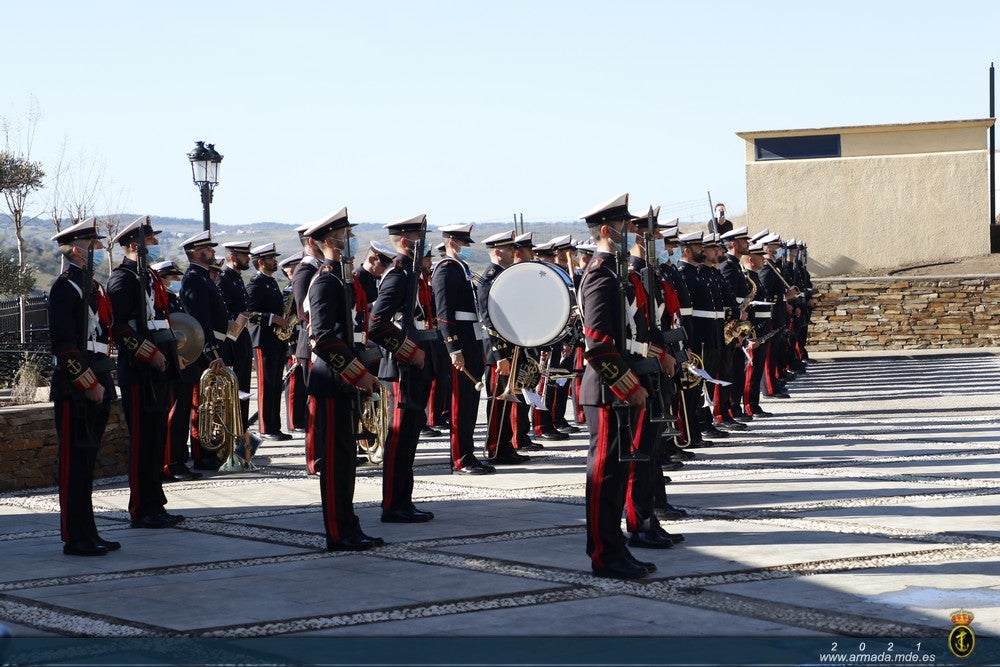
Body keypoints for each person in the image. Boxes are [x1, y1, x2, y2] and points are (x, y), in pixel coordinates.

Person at [577, 193, 654, 579]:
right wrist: (628, 385)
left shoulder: (614, 272)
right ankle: (604, 554)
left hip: (616, 390)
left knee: (617, 474)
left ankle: (615, 546)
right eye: (626, 227)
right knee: (604, 475)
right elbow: (597, 342)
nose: (632, 233)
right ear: (608, 230)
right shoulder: (599, 274)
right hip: (607, 392)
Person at [302, 209, 385, 551]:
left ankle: (349, 525)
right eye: (344, 234)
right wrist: (357, 373)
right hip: (332, 378)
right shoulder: (324, 280)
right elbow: (320, 337)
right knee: (336, 462)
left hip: (344, 379)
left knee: (346, 459)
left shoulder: (341, 279)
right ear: (328, 241)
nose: (350, 239)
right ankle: (338, 531)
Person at [107, 216, 185, 529]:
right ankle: (141, 506)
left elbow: (161, 319)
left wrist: (171, 355)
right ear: (132, 244)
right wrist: (149, 354)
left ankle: (155, 502)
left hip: (159, 368)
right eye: (149, 240)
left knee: (155, 440)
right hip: (140, 371)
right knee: (143, 441)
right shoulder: (123, 279)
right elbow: (121, 328)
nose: (153, 245)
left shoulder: (148, 278)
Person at [49, 219, 119, 556]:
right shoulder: (66, 287)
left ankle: (89, 531)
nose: (99, 249)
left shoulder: (93, 286)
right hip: (76, 386)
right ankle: (75, 536)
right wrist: (88, 383)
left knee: (87, 463)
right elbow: (63, 345)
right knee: (74, 464)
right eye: (93, 244)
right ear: (77, 249)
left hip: (99, 375)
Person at [368, 215, 437, 521]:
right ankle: (394, 504)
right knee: (400, 438)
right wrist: (410, 351)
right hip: (402, 366)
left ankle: (403, 501)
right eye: (420, 238)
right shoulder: (399, 275)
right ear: (409, 241)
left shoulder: (412, 274)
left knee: (410, 436)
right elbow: (377, 324)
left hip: (416, 364)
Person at [431, 224, 498, 474]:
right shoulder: (446, 270)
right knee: (460, 405)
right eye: (463, 244)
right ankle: (460, 458)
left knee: (470, 403)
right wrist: (453, 347)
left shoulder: (462, 269)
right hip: (460, 343)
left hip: (472, 341)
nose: (467, 249)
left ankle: (468, 453)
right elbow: (444, 314)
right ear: (450, 243)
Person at [178, 231, 230, 469]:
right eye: (209, 250)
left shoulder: (203, 278)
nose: (213, 253)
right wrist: (213, 354)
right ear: (197, 253)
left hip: (217, 345)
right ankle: (202, 454)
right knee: (204, 404)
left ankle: (214, 451)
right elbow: (200, 321)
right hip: (204, 352)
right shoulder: (193, 279)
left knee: (213, 403)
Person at [151, 260, 203, 482]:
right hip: (173, 364)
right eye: (168, 277)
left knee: (180, 415)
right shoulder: (158, 300)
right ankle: (171, 463)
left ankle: (178, 459)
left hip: (183, 363)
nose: (171, 281)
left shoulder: (171, 299)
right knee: (174, 416)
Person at [475, 230, 523, 465]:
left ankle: (505, 445)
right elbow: (487, 319)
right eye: (508, 248)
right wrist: (499, 355)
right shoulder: (490, 278)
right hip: (497, 352)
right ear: (496, 251)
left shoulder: (505, 276)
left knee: (506, 400)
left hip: (508, 348)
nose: (514, 252)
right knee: (497, 402)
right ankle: (495, 448)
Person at [247, 243, 292, 441]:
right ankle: (266, 428)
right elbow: (249, 313)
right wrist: (272, 318)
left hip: (276, 340)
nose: (275, 261)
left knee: (275, 385)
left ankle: (275, 426)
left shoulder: (272, 283)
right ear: (260, 262)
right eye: (271, 259)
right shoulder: (255, 284)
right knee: (266, 385)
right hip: (263, 339)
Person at [217, 241, 255, 429]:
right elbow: (223, 314)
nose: (248, 258)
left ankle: (242, 428)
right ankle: (233, 430)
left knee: (244, 388)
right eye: (244, 255)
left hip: (242, 336)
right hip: (231, 341)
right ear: (233, 258)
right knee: (235, 388)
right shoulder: (224, 279)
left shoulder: (237, 278)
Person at [277, 252, 306, 433]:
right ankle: (295, 422)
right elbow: (287, 321)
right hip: (293, 343)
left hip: (300, 340)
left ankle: (300, 419)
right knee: (294, 385)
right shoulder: (289, 291)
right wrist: (292, 348)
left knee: (302, 385)